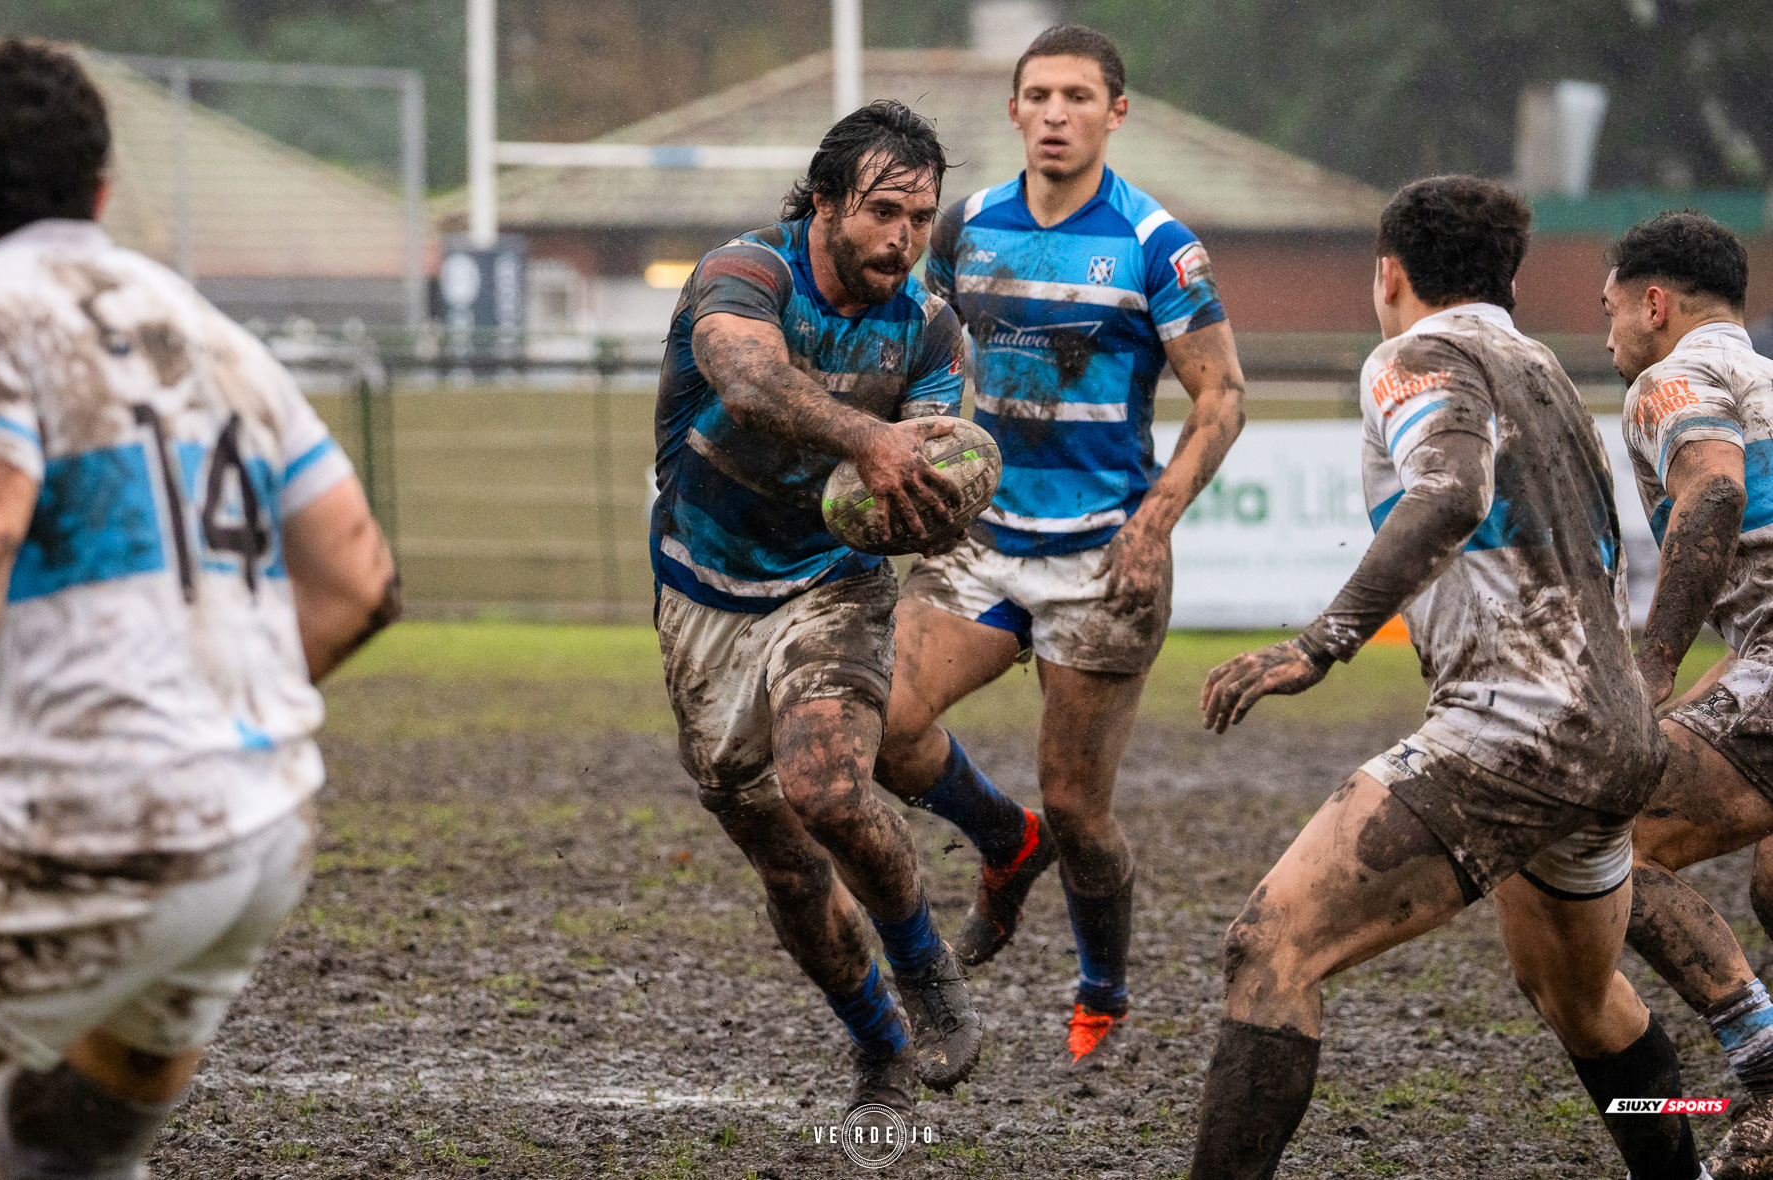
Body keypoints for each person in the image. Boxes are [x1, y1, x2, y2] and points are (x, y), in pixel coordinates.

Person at [1189, 176, 1705, 1179]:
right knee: (1585, 1002)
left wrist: (1320, 642)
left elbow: (1455, 490)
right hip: (1615, 734)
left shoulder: (1413, 354)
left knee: (1271, 947)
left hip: (1516, 729)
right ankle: (1690, 1161)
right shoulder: (1546, 367)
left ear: (1389, 275)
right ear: (1509, 278)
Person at [0, 39, 399, 1179]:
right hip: (262, 824)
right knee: (67, 1140)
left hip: (97, 816)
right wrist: (203, 723)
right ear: (101, 191)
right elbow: (359, 579)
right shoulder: (206, 331)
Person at [871, 24, 1247, 1062]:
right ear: (1013, 111)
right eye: (1037, 95)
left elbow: (1222, 396)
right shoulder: (965, 226)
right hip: (980, 537)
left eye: (1077, 97)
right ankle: (1003, 839)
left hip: (1101, 556)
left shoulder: (1157, 244)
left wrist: (1154, 521)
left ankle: (1102, 985)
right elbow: (916, 350)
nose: (1054, 114)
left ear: (1115, 114)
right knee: (879, 722)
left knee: (1082, 811)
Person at [651, 99, 983, 1117]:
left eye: (922, 218)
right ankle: (879, 1050)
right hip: (703, 591)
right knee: (788, 868)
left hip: (831, 582)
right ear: (827, 201)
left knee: (827, 789)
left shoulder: (928, 325)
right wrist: (866, 440)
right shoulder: (748, 272)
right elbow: (749, 381)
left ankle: (926, 970)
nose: (904, 238)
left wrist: (935, 512)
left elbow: (934, 462)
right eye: (885, 212)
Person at [1605, 211, 1773, 1179]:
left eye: (1611, 309)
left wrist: (1653, 665)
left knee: (1607, 840)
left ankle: (1760, 1059)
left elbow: (1713, 496)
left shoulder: (1666, 381)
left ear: (1654, 303)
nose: (1610, 334)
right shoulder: (1761, 379)